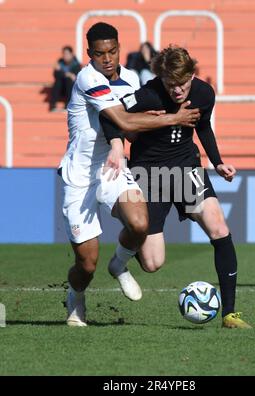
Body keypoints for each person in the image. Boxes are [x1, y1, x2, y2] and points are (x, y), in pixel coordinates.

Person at [58, 24, 200, 327]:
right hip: (80, 176)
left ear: (120, 48)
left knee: (140, 223)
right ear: (89, 54)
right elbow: (121, 118)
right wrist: (172, 119)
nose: (107, 58)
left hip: (112, 168)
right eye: (99, 53)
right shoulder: (87, 78)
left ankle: (120, 265)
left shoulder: (132, 79)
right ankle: (76, 297)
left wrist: (140, 127)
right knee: (86, 263)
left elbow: (129, 127)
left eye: (112, 51)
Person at [104, 46, 252, 329]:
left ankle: (230, 314)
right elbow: (109, 116)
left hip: (186, 168)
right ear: (162, 79)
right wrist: (117, 144)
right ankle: (122, 253)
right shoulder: (148, 93)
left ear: (191, 75)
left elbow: (203, 126)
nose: (177, 91)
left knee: (219, 228)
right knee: (152, 263)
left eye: (182, 84)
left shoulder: (204, 93)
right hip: (150, 174)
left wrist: (218, 162)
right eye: (171, 85)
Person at [50, 46, 81, 112]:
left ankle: (67, 105)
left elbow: (75, 78)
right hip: (61, 88)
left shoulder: (76, 65)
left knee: (68, 81)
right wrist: (67, 74)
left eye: (67, 54)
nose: (65, 56)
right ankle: (52, 106)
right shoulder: (60, 62)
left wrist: (62, 72)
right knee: (58, 82)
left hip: (71, 90)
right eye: (64, 54)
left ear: (71, 54)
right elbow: (56, 75)